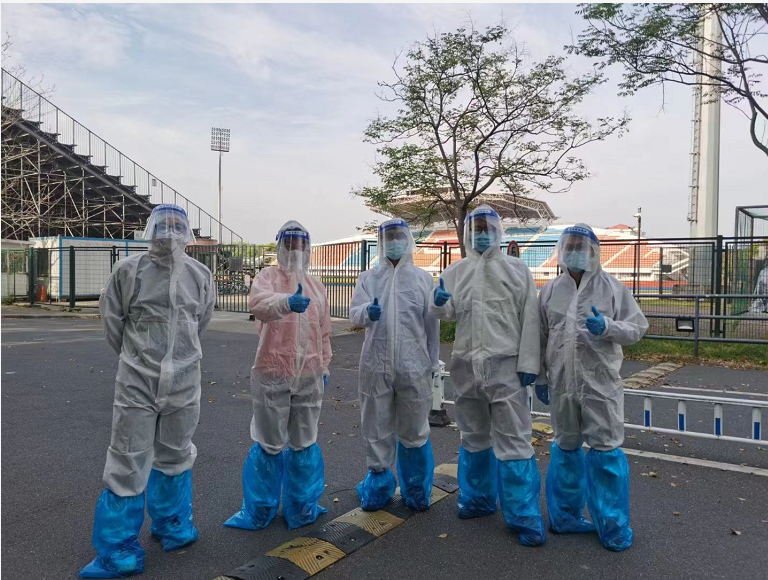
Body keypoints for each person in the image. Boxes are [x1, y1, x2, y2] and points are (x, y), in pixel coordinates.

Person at [79, 204, 216, 578]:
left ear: (187, 233)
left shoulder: (200, 275)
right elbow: (113, 322)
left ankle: (172, 525)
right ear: (150, 230)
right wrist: (138, 359)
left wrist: (177, 361)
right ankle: (118, 549)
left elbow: (199, 323)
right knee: (128, 458)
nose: (170, 233)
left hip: (184, 383)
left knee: (175, 454)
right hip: (137, 383)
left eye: (177, 226)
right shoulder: (128, 271)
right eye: (163, 225)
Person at [429, 205, 545, 547]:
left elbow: (530, 318)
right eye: (476, 228)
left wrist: (530, 364)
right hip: (467, 365)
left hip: (505, 365)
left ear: (498, 231)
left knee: (514, 439)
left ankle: (523, 514)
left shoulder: (516, 270)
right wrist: (439, 301)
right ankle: (478, 500)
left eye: (486, 227)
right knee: (474, 435)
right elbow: (446, 311)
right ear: (468, 233)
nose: (481, 233)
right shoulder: (456, 271)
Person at [536, 223, 648, 552]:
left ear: (594, 251)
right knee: (566, 447)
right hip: (562, 384)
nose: (574, 252)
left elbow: (637, 327)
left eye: (580, 246)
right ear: (561, 250)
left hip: (600, 386)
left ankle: (612, 524)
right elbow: (541, 336)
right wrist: (541, 377)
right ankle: (564, 516)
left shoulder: (612, 288)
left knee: (606, 451)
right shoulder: (550, 290)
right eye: (569, 246)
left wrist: (608, 327)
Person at [224, 221, 332, 531]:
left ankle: (303, 507)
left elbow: (324, 332)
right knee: (269, 443)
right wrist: (285, 303)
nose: (295, 250)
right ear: (280, 247)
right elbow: (259, 306)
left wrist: (324, 366)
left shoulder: (316, 286)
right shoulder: (267, 278)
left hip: (309, 376)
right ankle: (259, 510)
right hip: (272, 374)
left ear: (308, 249)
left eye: (300, 244)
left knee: (304, 442)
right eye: (290, 244)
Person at [349, 218, 440, 511]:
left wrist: (433, 363)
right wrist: (367, 312)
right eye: (388, 237)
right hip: (376, 365)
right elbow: (354, 313)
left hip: (414, 365)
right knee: (377, 426)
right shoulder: (369, 278)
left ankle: (416, 489)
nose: (394, 242)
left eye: (399, 236)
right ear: (380, 242)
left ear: (408, 239)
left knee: (414, 429)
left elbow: (432, 327)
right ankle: (378, 488)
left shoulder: (422, 280)